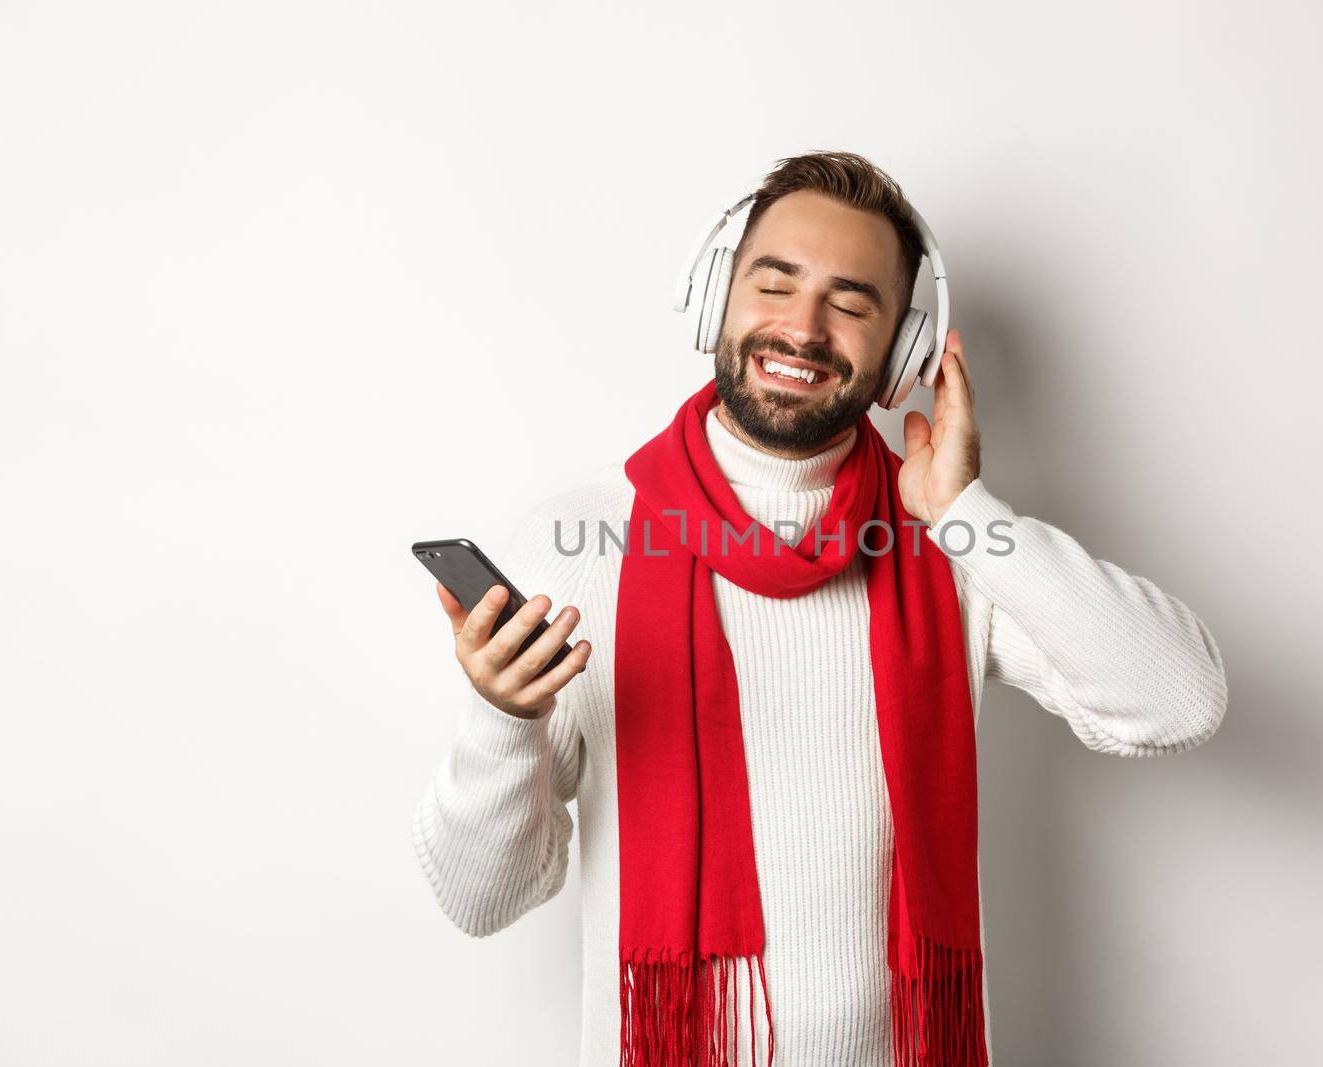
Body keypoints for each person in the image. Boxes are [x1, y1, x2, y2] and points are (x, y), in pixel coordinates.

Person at [411, 151, 1228, 1066]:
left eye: (851, 301)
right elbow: (480, 899)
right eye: (775, 283)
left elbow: (1180, 700)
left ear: (902, 353)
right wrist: (503, 714)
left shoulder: (948, 544)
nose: (802, 327)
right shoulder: (581, 536)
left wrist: (965, 515)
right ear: (718, 295)